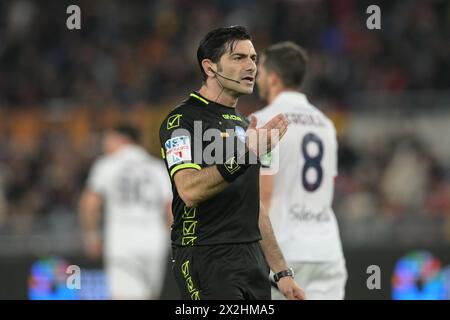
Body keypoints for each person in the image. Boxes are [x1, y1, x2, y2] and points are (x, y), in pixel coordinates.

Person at [159, 26, 305, 300]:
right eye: (239, 58)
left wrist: (282, 272)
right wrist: (248, 154)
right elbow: (189, 191)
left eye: (252, 58)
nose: (251, 66)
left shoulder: (245, 125)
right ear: (210, 67)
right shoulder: (182, 120)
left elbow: (255, 206)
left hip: (252, 262)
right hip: (205, 254)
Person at [253, 42, 347, 300]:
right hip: (327, 250)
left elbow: (264, 194)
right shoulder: (325, 124)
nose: (256, 77)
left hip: (286, 250)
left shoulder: (265, 121)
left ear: (273, 78)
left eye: (259, 71)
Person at [79, 124, 172, 300]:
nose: (105, 144)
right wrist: (169, 237)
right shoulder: (157, 167)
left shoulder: (107, 164)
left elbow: (89, 203)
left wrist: (92, 235)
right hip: (154, 242)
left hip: (122, 241)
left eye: (109, 139)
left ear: (123, 139)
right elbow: (171, 208)